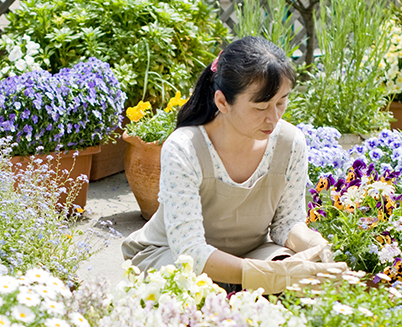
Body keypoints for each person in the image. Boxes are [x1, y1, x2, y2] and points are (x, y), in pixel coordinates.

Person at [122, 36, 346, 294]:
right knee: (190, 291)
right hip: (174, 257)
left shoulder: (290, 142)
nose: (273, 118)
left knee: (302, 280)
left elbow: (286, 223)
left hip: (252, 255)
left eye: (281, 102)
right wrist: (267, 275)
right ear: (222, 102)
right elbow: (189, 250)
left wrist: (316, 246)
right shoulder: (184, 148)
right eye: (261, 106)